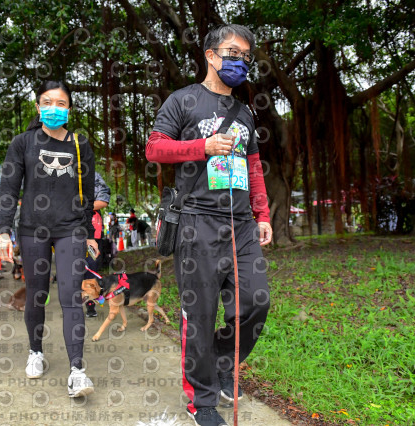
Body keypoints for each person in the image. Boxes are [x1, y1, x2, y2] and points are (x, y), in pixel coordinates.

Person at [146, 24, 273, 426]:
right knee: (198, 315)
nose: (241, 61)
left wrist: (262, 214)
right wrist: (202, 147)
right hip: (196, 223)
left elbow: (254, 167)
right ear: (211, 55)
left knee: (255, 302)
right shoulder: (182, 100)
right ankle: (201, 400)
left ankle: (221, 362)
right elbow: (154, 149)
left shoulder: (246, 112)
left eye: (246, 56)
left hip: (241, 226)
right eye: (233, 53)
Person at [0, 80, 96, 397]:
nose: (54, 108)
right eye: (47, 102)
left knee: (71, 297)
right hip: (32, 230)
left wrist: (90, 234)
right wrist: (3, 231)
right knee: (37, 295)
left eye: (61, 103)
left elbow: (88, 194)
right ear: (38, 108)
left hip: (71, 230)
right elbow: (9, 190)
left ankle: (77, 371)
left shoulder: (80, 145)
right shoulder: (23, 142)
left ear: (69, 109)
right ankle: (35, 351)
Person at [84, 172, 111, 318]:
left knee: (91, 268)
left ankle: (91, 304)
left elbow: (103, 200)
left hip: (92, 231)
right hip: (68, 231)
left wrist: (79, 209)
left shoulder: (92, 175)